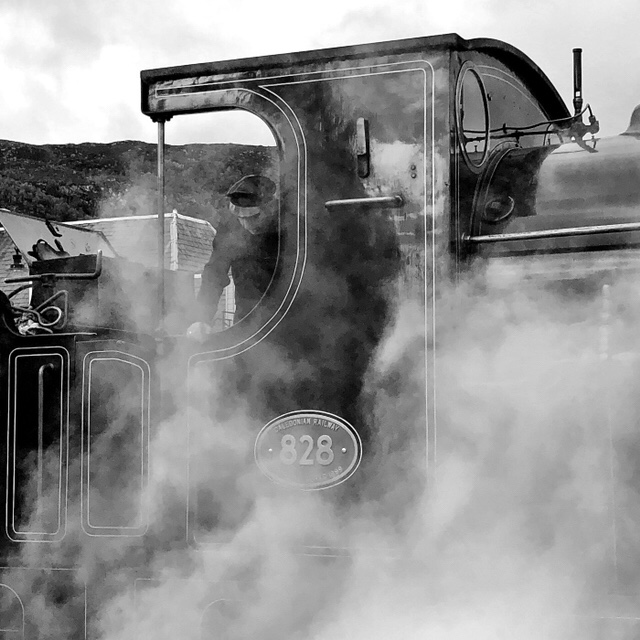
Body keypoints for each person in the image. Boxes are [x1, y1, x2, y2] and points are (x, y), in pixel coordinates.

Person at [196, 175, 279, 328]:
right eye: (240, 218)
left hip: (286, 318)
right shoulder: (229, 226)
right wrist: (201, 319)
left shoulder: (290, 225)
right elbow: (215, 272)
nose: (247, 224)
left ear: (271, 208)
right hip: (245, 319)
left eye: (254, 217)